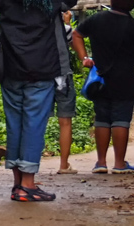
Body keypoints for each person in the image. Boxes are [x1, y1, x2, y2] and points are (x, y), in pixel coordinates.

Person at [0, 0, 83, 202]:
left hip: (9, 65)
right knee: (34, 123)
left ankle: (17, 183)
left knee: (15, 122)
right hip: (42, 66)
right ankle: (28, 186)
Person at [72, 0, 134, 174]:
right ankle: (119, 163)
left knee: (102, 119)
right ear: (132, 4)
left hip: (100, 79)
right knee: (121, 121)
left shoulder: (97, 19)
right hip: (125, 80)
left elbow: (76, 34)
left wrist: (85, 58)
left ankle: (100, 163)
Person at [55, 10, 85, 175]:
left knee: (35, 119)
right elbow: (68, 39)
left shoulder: (35, 22)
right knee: (65, 122)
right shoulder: (61, 26)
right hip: (62, 76)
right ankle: (63, 164)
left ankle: (30, 164)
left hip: (40, 76)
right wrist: (67, 23)